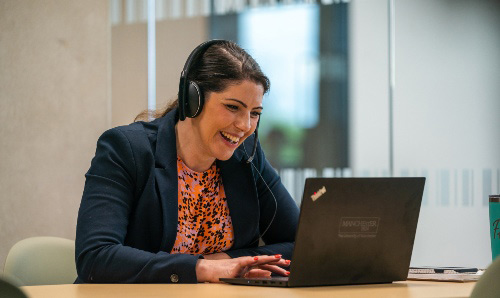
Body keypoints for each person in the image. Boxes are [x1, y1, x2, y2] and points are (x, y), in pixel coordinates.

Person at [75, 40, 300, 284]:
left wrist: (227, 260)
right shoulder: (126, 149)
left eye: (255, 113)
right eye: (233, 107)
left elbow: (303, 245)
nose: (245, 126)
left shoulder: (247, 157)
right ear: (192, 99)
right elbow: (95, 258)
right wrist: (200, 269)